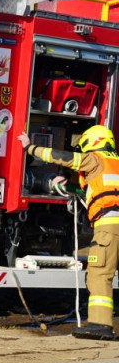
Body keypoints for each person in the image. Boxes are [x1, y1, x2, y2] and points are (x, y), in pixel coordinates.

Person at [18, 126, 118, 340]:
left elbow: (65, 158)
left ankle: (101, 325)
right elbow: (100, 191)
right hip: (113, 223)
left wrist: (31, 148)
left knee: (99, 274)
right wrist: (70, 187)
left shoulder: (95, 159)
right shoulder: (114, 163)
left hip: (109, 226)